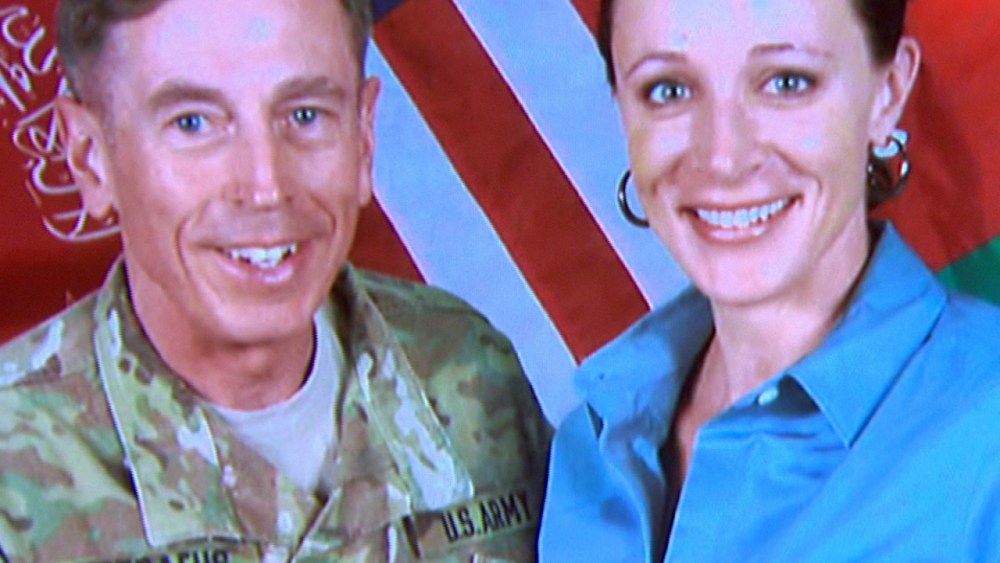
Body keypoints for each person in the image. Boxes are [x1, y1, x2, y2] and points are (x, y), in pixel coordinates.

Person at [0, 0, 550, 560]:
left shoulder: (468, 375)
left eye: (305, 115)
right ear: (90, 158)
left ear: (363, 137)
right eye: (193, 123)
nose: (266, 187)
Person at [540, 0, 1000, 560]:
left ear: (888, 92)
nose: (724, 158)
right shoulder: (587, 448)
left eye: (787, 82)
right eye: (668, 90)